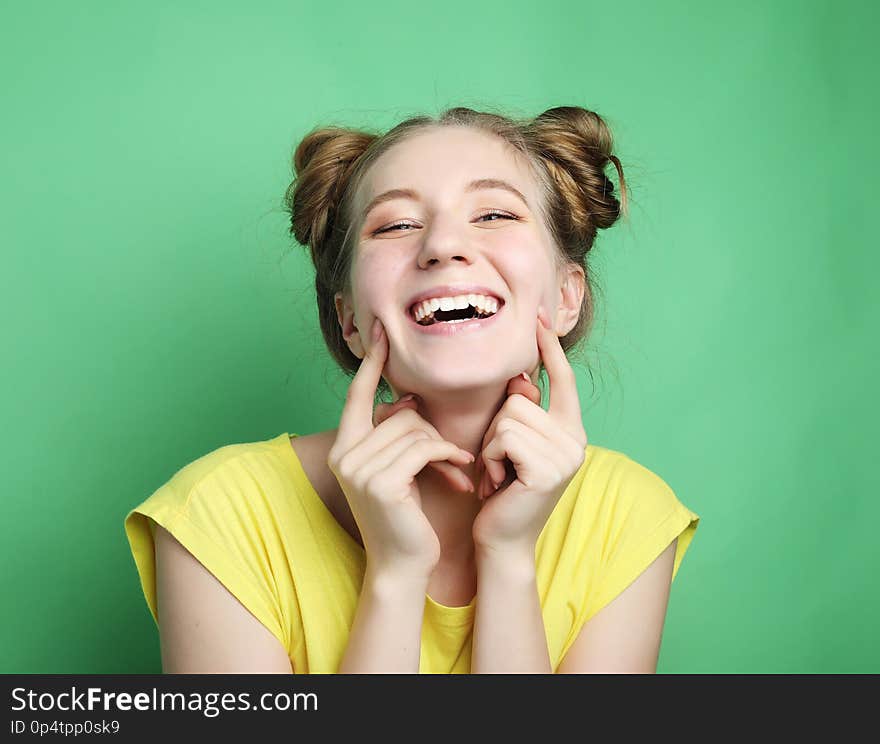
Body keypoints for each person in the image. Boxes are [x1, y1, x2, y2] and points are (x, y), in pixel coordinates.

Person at [124, 105, 700, 674]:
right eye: (396, 224)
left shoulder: (628, 516)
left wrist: (508, 558)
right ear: (349, 319)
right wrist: (396, 573)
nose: (443, 246)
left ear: (567, 296)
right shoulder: (220, 513)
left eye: (495, 214)